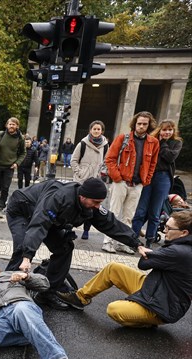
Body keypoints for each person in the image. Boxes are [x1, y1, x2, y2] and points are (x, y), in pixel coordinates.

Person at [5, 177, 144, 310]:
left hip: (48, 217)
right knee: (22, 249)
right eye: (95, 202)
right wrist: (27, 257)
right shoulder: (60, 197)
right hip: (22, 209)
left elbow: (111, 224)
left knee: (64, 247)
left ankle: (47, 292)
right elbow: (39, 224)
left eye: (100, 202)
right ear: (82, 196)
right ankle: (3, 291)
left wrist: (137, 244)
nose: (97, 206)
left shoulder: (92, 205)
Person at [58, 211, 192, 327]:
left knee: (114, 310)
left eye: (169, 228)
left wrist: (151, 253)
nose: (164, 231)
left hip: (161, 307)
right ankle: (80, 297)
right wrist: (153, 254)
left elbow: (144, 264)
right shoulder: (182, 247)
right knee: (113, 269)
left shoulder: (178, 251)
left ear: (183, 233)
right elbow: (153, 259)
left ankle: (148, 321)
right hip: (154, 287)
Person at [102, 111, 159, 254]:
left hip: (137, 184)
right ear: (134, 124)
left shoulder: (153, 143)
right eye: (139, 123)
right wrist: (117, 178)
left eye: (144, 124)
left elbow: (153, 163)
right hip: (121, 181)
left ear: (149, 125)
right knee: (114, 213)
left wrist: (145, 180)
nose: (141, 126)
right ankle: (107, 242)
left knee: (129, 216)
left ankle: (122, 243)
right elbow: (110, 159)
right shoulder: (124, 138)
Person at [131, 119, 183, 248]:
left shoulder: (176, 143)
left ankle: (149, 240)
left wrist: (163, 143)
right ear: (160, 130)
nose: (167, 132)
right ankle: (133, 238)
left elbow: (170, 157)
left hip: (164, 177)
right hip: (149, 175)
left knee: (155, 211)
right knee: (141, 210)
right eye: (164, 129)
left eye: (170, 130)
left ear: (173, 130)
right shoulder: (152, 141)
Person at [71, 120, 110, 239]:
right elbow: (73, 160)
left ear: (102, 131)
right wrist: (80, 172)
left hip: (95, 181)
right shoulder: (82, 144)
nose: (96, 131)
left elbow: (106, 161)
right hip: (81, 180)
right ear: (90, 130)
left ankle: (86, 230)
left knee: (91, 207)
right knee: (75, 205)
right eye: (94, 129)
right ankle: (69, 229)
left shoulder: (106, 145)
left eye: (99, 129)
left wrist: (101, 174)